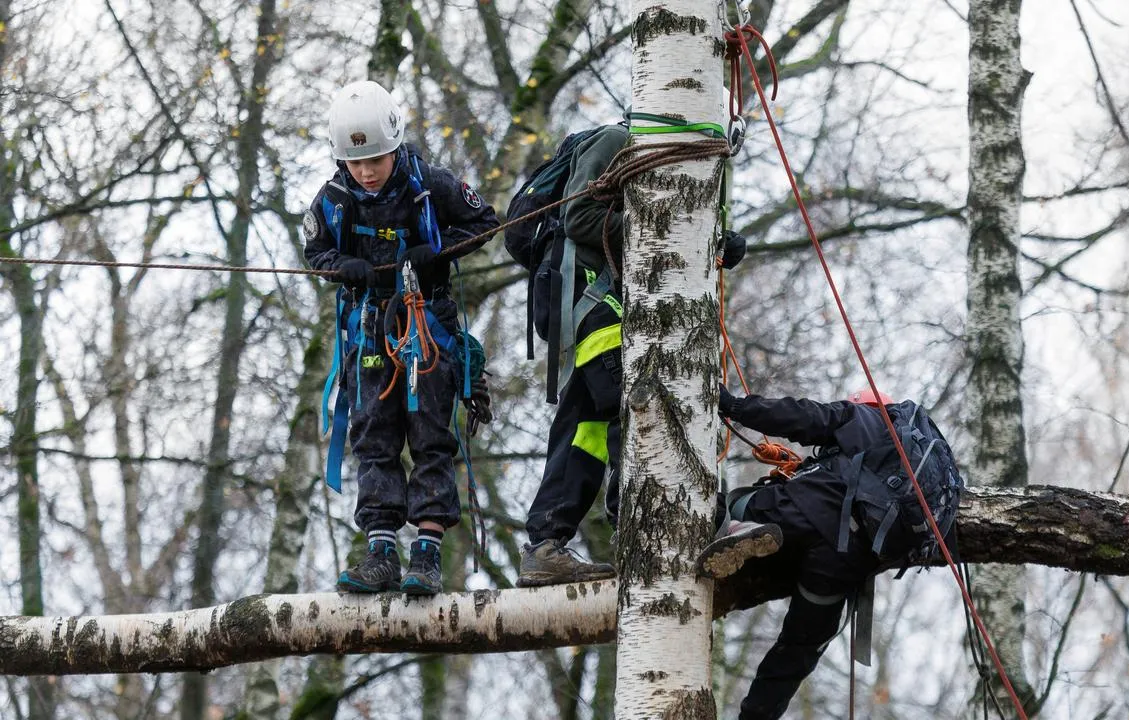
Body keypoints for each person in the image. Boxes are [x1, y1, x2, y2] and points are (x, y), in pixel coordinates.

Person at [515, 108, 749, 587]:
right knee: (638, 401)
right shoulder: (617, 141)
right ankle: (643, 528)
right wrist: (672, 234)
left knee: (584, 429)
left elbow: (654, 223)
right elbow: (580, 217)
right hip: (588, 301)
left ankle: (545, 543)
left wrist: (710, 242)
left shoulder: (660, 163)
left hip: (599, 303)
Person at [304, 80, 498, 596]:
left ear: (394, 147)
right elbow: (315, 252)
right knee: (373, 436)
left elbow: (485, 221)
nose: (366, 173)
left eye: (376, 161)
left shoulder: (430, 184)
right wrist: (341, 266)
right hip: (367, 332)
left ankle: (427, 554)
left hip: (425, 324)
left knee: (431, 433)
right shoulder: (334, 200)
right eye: (356, 163)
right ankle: (381, 550)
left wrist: (436, 253)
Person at [702, 385, 964, 720]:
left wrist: (734, 406)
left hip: (803, 514)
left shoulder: (869, 418)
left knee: (729, 504)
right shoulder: (923, 468)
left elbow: (805, 417)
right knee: (801, 646)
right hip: (844, 565)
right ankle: (756, 716)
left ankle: (742, 528)